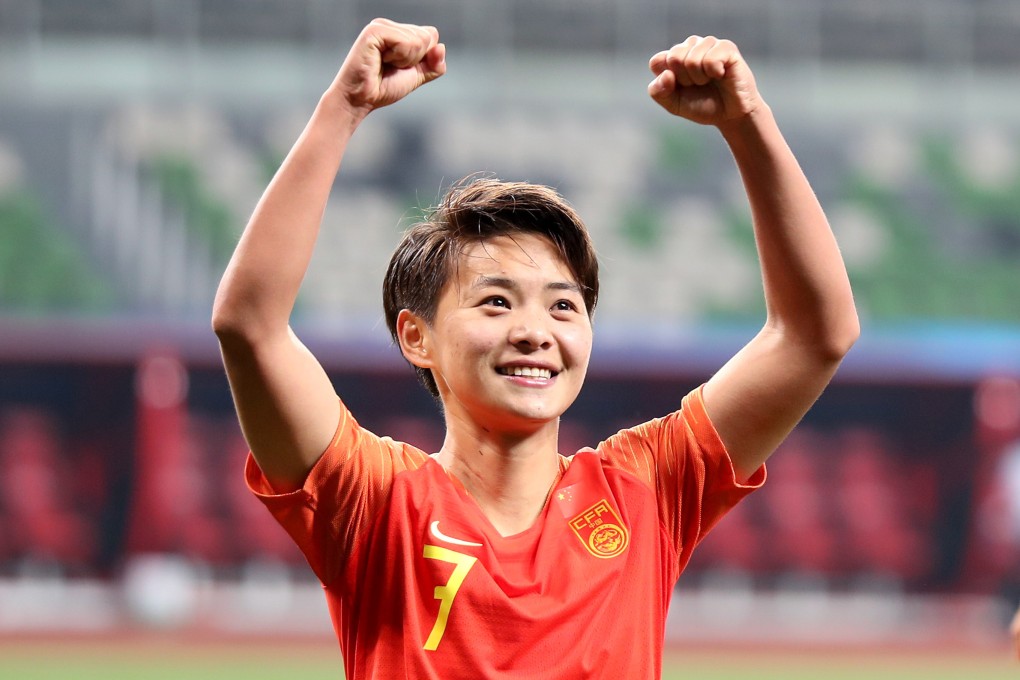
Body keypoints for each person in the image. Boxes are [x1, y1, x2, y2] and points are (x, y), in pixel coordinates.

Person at [212, 18, 859, 679]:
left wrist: (746, 123)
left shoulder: (646, 489)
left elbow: (815, 336)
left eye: (562, 306)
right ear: (417, 337)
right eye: (496, 301)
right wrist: (343, 109)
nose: (535, 331)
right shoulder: (374, 503)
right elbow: (249, 325)